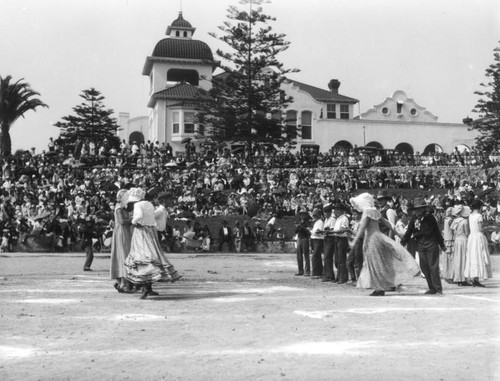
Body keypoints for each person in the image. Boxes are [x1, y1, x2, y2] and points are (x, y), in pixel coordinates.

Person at [351, 193, 420, 296]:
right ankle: (380, 287)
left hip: (371, 239)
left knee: (374, 263)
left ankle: (379, 288)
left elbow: (362, 228)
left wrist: (354, 240)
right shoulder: (374, 210)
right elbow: (387, 223)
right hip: (379, 237)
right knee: (379, 263)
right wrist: (398, 234)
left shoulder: (367, 212)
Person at [124, 188, 181, 299]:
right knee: (149, 258)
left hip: (144, 231)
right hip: (150, 232)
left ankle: (142, 286)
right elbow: (148, 218)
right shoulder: (153, 206)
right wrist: (148, 224)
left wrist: (134, 221)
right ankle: (142, 286)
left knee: (143, 258)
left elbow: (141, 217)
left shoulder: (144, 206)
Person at [401, 197, 446, 295]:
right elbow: (408, 232)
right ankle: (432, 288)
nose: (417, 211)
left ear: (423, 209)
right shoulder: (413, 219)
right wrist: (402, 242)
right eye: (416, 209)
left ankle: (438, 288)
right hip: (420, 245)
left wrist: (442, 244)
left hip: (431, 244)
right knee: (424, 267)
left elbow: (434, 232)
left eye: (419, 209)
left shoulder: (430, 218)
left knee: (433, 267)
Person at [464, 199, 492, 287]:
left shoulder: (470, 216)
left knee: (473, 256)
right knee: (480, 255)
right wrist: (488, 227)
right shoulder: (479, 216)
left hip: (472, 237)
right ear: (479, 207)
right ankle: (476, 279)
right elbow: (480, 229)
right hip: (478, 237)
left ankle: (474, 278)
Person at [110, 189, 133, 293]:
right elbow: (122, 221)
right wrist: (133, 219)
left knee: (122, 255)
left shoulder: (122, 207)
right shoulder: (119, 208)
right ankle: (124, 283)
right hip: (122, 232)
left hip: (123, 232)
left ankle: (121, 282)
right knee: (124, 255)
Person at [446, 204, 470, 286]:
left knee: (457, 259)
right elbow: (467, 233)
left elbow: (453, 232)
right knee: (463, 258)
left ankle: (456, 277)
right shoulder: (464, 221)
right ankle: (462, 279)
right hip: (463, 240)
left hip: (456, 240)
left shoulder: (455, 221)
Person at [332, 202, 351, 284]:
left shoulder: (344, 218)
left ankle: (343, 277)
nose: (336, 211)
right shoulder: (338, 219)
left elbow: (342, 230)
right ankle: (339, 275)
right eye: (335, 210)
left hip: (342, 239)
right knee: (337, 259)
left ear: (342, 210)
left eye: (338, 210)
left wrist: (331, 231)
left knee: (341, 259)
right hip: (336, 238)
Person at [322, 205, 336, 282]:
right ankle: (327, 274)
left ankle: (330, 275)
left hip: (331, 238)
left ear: (330, 213)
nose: (325, 214)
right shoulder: (326, 220)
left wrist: (326, 231)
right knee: (326, 257)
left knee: (328, 257)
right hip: (326, 238)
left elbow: (333, 230)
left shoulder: (332, 219)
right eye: (324, 212)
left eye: (327, 212)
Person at [309, 209, 324, 279]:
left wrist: (311, 231)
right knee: (316, 256)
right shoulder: (316, 222)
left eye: (315, 216)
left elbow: (318, 232)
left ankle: (316, 273)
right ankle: (319, 272)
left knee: (315, 256)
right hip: (314, 239)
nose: (314, 217)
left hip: (318, 239)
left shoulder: (320, 222)